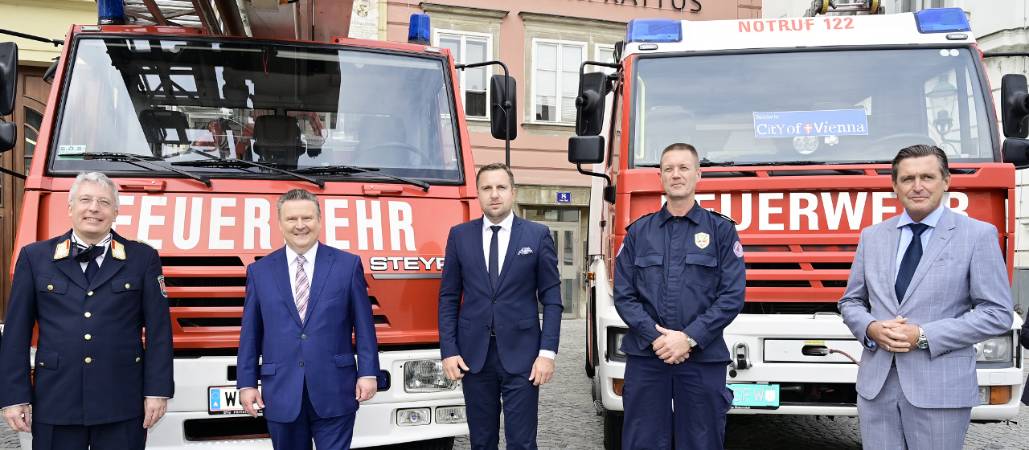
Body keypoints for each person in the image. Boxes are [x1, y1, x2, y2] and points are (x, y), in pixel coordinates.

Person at [839, 144, 1013, 450]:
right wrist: (870, 328)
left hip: (941, 389)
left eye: (927, 177)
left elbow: (997, 313)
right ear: (894, 186)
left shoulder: (977, 235)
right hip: (876, 389)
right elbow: (851, 301)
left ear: (946, 181)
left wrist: (923, 335)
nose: (917, 186)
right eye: (907, 179)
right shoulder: (873, 236)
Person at [0, 172, 173, 450]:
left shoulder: (142, 259)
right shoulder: (35, 257)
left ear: (115, 212)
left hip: (121, 401)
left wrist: (157, 391)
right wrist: (14, 396)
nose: (94, 208)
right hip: (56, 401)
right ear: (69, 208)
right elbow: (16, 333)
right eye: (85, 200)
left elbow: (159, 331)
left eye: (104, 202)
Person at [613, 142, 746, 449]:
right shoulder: (639, 232)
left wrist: (687, 339)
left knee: (702, 442)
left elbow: (731, 296)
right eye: (668, 169)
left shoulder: (721, 231)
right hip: (647, 357)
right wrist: (656, 338)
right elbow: (624, 294)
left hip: (703, 358)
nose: (676, 175)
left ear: (698, 175)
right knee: (642, 442)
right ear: (660, 177)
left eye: (683, 168)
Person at [236, 188, 379, 450]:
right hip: (281, 392)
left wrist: (368, 372)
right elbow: (250, 334)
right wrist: (246, 384)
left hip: (335, 389)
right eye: (292, 219)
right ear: (279, 224)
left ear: (320, 221)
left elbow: (364, 326)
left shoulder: (347, 265)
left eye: (307, 218)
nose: (300, 226)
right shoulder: (259, 272)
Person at [438, 163, 562, 449]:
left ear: (513, 192)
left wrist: (547, 353)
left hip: (524, 357)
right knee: (481, 442)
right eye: (487, 188)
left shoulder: (536, 235)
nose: (494, 194)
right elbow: (448, 297)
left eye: (501, 187)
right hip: (474, 357)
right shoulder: (459, 236)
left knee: (522, 442)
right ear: (478, 194)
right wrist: (449, 350)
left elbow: (552, 299)